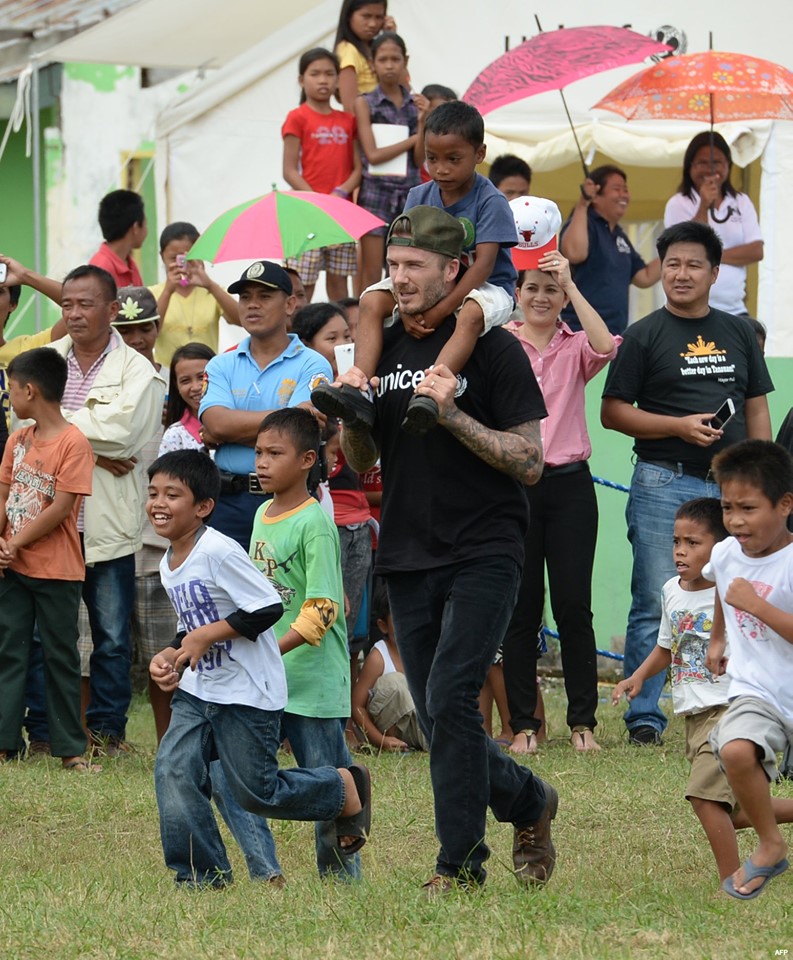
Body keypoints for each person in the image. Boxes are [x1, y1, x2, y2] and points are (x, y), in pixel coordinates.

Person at [339, 205, 557, 895]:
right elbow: (364, 457)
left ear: (453, 269)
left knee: (453, 697)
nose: (400, 278)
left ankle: (458, 865)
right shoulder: (379, 346)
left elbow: (530, 461)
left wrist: (452, 412)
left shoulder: (492, 348)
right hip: (407, 550)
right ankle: (528, 799)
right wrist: (351, 415)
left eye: (415, 266)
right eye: (393, 266)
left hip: (485, 544)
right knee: (438, 715)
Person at [146, 450, 371, 888]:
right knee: (173, 770)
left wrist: (206, 636)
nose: (158, 503)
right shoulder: (168, 561)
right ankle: (202, 878)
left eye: (172, 495)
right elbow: (192, 624)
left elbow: (266, 608)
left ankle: (341, 787)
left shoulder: (218, 551)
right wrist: (170, 654)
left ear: (203, 506)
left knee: (257, 793)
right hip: (200, 690)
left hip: (247, 693)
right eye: (153, 493)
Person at [601, 221, 773, 746]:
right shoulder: (643, 334)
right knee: (658, 597)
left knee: (742, 593)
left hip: (734, 492)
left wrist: (764, 476)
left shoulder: (739, 332)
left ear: (715, 273)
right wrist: (677, 426)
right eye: (672, 264)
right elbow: (612, 412)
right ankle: (645, 717)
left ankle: (743, 703)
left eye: (694, 264)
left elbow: (756, 407)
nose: (681, 273)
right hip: (664, 482)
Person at [614, 497, 793, 883]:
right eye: (676, 541)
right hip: (693, 716)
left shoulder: (737, 591)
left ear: (721, 550)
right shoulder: (671, 590)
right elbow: (666, 647)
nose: (680, 551)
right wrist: (638, 677)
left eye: (693, 543)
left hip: (728, 708)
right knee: (736, 811)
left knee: (704, 798)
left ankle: (734, 882)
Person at [312, 100, 517, 435]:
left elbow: (484, 265)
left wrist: (441, 310)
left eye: (453, 159)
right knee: (370, 300)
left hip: (487, 286)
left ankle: (430, 393)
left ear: (479, 153)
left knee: (470, 314)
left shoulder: (490, 201)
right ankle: (359, 387)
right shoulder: (419, 195)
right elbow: (404, 255)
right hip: (430, 283)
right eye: (432, 158)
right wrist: (405, 307)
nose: (441, 169)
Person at [502, 197, 619, 755]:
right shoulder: (501, 344)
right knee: (520, 609)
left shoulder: (575, 347)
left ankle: (582, 725)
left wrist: (570, 281)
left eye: (551, 290)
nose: (542, 298)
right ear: (518, 294)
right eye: (533, 288)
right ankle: (524, 725)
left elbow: (606, 345)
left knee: (574, 607)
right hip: (516, 487)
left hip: (571, 486)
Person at [47, 265, 165, 754]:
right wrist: (95, 450)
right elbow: (24, 424)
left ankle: (107, 733)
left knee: (112, 638)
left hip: (107, 523)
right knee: (49, 634)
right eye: (67, 304)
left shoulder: (137, 370)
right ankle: (48, 731)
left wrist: (55, 426)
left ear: (112, 310)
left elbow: (125, 436)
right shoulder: (47, 360)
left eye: (85, 304)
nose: (74, 313)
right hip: (50, 522)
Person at [247, 408, 359, 879]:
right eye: (258, 452)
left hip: (312, 679)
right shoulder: (261, 513)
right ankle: (264, 871)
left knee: (329, 782)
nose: (262, 463)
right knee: (244, 776)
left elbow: (323, 609)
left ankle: (341, 882)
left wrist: (272, 648)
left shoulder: (315, 522)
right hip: (267, 677)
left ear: (307, 460)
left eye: (275, 453)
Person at [704, 440, 793, 899]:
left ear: (785, 504)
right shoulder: (725, 552)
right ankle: (770, 843)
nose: (736, 520)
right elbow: (725, 586)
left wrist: (756, 606)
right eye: (727, 507)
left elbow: (744, 597)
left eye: (748, 508)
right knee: (737, 751)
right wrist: (718, 637)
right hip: (758, 691)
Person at [0, 348, 95, 771]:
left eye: (11, 389)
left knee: (60, 656)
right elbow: (4, 495)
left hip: (58, 570)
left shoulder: (74, 443)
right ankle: (5, 742)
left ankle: (70, 749)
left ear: (30, 390)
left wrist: (15, 542)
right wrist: (2, 543)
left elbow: (61, 507)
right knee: (10, 651)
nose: (10, 397)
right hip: (12, 567)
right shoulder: (17, 440)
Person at [197, 261, 332, 549]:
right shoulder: (221, 364)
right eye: (245, 297)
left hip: (289, 501)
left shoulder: (313, 363)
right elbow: (216, 424)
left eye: (265, 296)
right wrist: (288, 419)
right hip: (228, 502)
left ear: (290, 304)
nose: (252, 305)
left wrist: (230, 432)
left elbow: (298, 433)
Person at [107, 287, 174, 742]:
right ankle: (103, 737)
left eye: (143, 329)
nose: (135, 339)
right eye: (125, 330)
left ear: (156, 327)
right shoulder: (104, 382)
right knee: (103, 646)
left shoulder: (174, 381)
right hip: (110, 529)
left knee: (162, 649)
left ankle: (169, 739)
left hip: (159, 538)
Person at [282, 48, 362, 302]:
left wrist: (340, 193)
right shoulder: (297, 118)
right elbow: (289, 170)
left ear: (338, 79)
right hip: (305, 214)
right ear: (301, 80)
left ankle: (339, 326)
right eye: (315, 74)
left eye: (329, 74)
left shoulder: (348, 120)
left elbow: (358, 169)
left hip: (340, 213)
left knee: (339, 284)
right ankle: (301, 326)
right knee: (302, 284)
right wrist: (318, 201)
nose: (323, 80)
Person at [664, 131, 763, 317]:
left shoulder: (741, 202)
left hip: (735, 310)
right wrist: (704, 205)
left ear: (728, 166)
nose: (710, 169)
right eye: (702, 163)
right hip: (690, 312)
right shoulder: (678, 203)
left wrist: (712, 257)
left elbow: (756, 250)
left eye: (717, 162)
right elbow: (687, 250)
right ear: (690, 167)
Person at [355, 32, 424, 290]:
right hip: (375, 193)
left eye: (395, 59)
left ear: (405, 61)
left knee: (405, 266)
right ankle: (367, 314)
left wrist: (423, 121)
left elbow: (418, 159)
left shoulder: (415, 104)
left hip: (408, 193)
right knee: (372, 271)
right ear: (372, 63)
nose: (389, 65)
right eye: (382, 59)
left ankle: (397, 314)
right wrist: (413, 138)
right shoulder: (365, 103)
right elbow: (372, 154)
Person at [559, 164, 659, 335]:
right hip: (580, 332)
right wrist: (583, 203)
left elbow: (644, 277)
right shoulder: (585, 222)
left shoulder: (619, 235)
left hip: (615, 333)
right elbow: (574, 253)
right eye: (617, 189)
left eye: (625, 190)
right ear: (596, 196)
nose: (624, 195)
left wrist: (674, 249)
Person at [151, 222, 240, 366]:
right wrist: (168, 291)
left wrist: (210, 285)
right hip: (168, 374)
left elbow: (241, 319)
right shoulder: (154, 293)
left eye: (188, 258)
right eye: (174, 258)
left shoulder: (212, 291)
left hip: (208, 372)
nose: (181, 264)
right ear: (162, 257)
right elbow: (151, 330)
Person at [352, 580, 427, 751]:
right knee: (394, 682)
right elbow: (357, 706)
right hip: (396, 732)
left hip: (425, 725)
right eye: (400, 621)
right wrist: (381, 740)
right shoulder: (379, 657)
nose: (408, 626)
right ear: (383, 626)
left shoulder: (425, 651)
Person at [334, 0, 393, 112]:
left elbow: (403, 88)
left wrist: (390, 38)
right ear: (349, 16)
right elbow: (350, 108)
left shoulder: (375, 49)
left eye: (379, 17)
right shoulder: (348, 51)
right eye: (366, 16)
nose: (373, 24)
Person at [160, 342, 216, 457]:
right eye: (185, 381)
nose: (195, 387)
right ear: (176, 386)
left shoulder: (235, 424)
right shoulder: (175, 435)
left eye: (202, 377)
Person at [89, 189, 147, 288]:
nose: (146, 230)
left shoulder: (130, 264)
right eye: (146, 224)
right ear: (136, 227)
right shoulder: (101, 268)